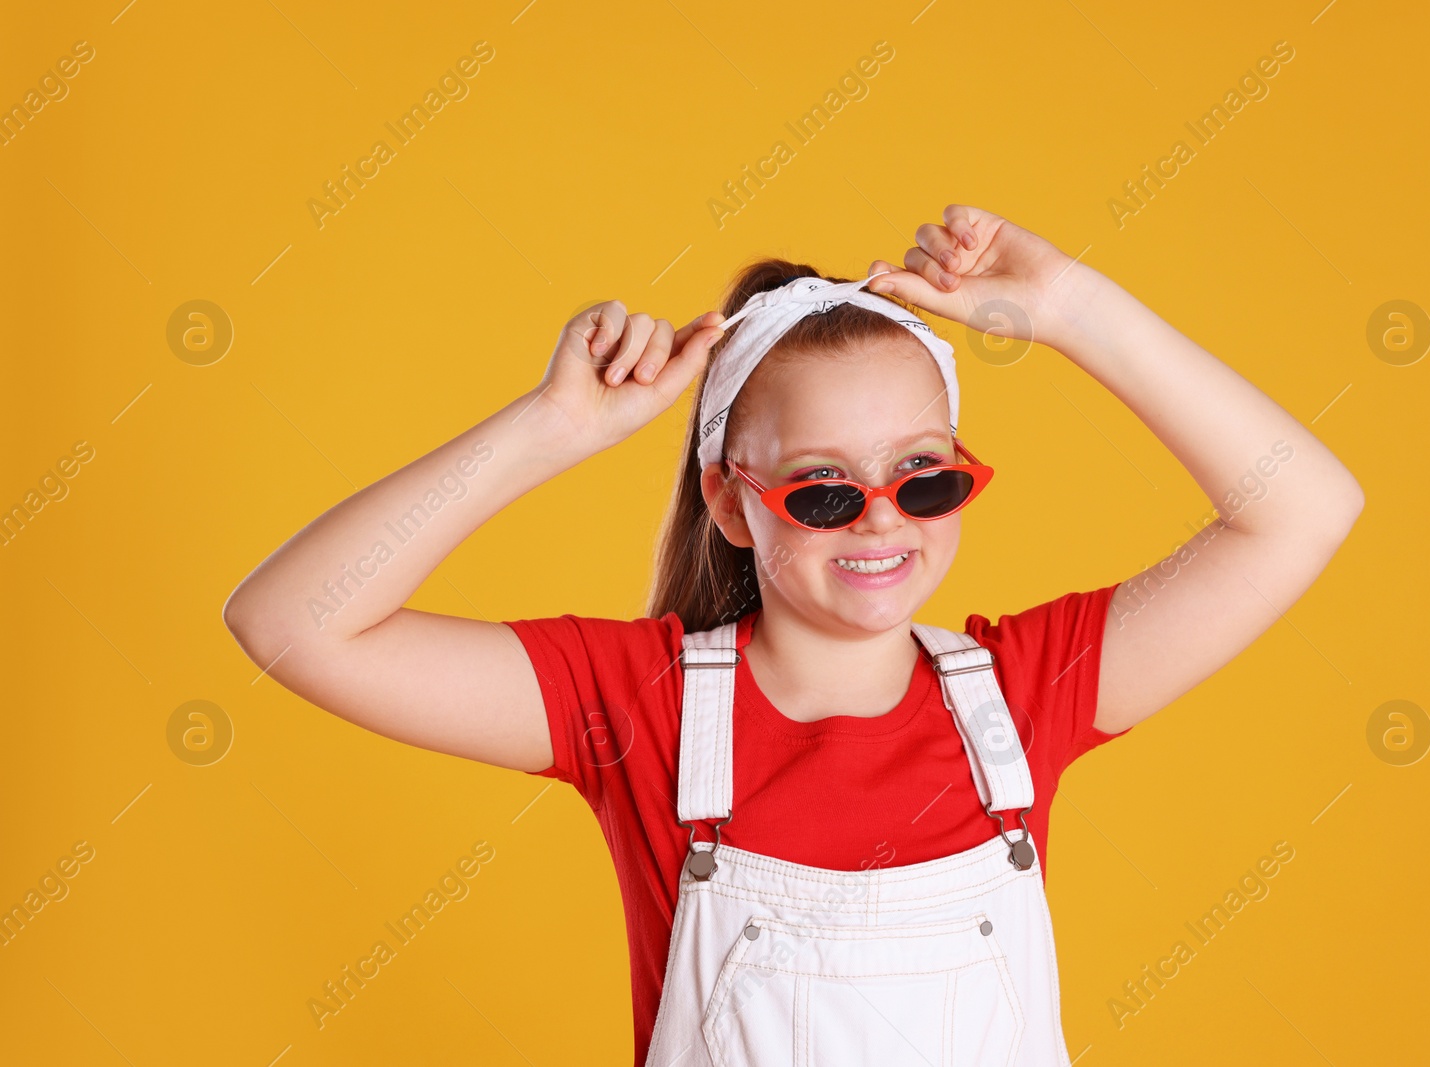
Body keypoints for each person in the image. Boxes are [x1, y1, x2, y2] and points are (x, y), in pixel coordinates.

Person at [223, 203, 1364, 1066]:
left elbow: (1302, 507)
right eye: (821, 489)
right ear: (732, 502)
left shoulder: (1024, 697)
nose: (879, 520)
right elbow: (292, 624)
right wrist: (551, 428)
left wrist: (1065, 307)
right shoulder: (640, 707)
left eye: (924, 480)